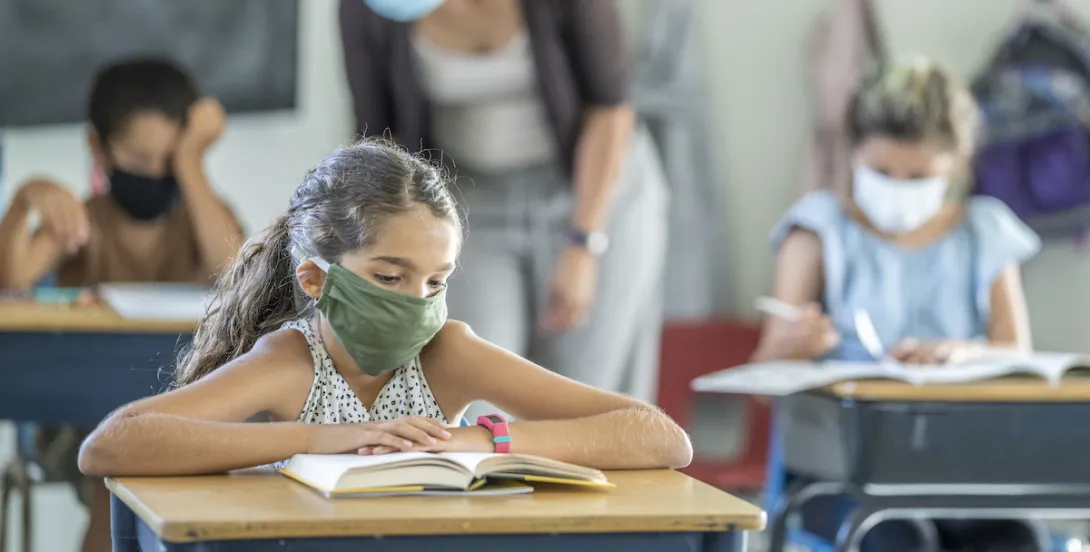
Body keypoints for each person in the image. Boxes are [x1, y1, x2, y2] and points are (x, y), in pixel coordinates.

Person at [76, 139, 692, 480]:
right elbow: (111, 445)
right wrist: (323, 439)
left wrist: (476, 440)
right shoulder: (292, 362)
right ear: (317, 278)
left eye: (435, 282)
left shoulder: (449, 353)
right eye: (390, 277)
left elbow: (662, 439)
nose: (417, 303)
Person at [753, 59, 1043, 552]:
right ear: (854, 153)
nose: (898, 191)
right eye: (882, 172)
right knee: (892, 538)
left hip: (961, 473)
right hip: (838, 476)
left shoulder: (986, 232)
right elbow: (762, 382)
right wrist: (791, 348)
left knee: (1014, 538)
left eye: (917, 176)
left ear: (958, 159)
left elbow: (1018, 357)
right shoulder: (817, 231)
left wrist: (966, 354)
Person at [338, 0, 668, 416]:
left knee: (587, 395)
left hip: (596, 190)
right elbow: (377, 134)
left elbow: (609, 107)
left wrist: (584, 241)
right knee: (474, 392)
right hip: (468, 202)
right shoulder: (367, 9)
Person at [0, 58, 243, 552]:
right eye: (139, 161)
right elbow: (12, 281)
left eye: (169, 159)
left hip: (188, 412)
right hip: (77, 421)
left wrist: (191, 162)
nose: (156, 174)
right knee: (121, 470)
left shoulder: (203, 219)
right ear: (99, 147)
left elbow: (238, 277)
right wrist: (25, 200)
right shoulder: (81, 222)